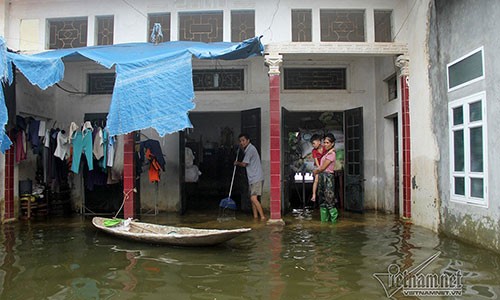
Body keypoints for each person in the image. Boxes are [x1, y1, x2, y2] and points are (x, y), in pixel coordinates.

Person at [234, 133, 266, 220]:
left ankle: (263, 217)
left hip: (256, 178)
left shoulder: (250, 150)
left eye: (243, 140)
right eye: (240, 141)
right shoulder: (248, 149)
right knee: (253, 200)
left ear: (248, 141)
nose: (242, 143)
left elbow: (244, 164)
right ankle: (255, 217)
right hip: (252, 178)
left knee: (253, 198)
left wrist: (237, 163)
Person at [312, 133, 338, 223]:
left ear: (332, 143)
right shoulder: (327, 153)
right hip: (322, 177)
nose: (325, 144)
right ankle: (324, 222)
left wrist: (315, 171)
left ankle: (333, 223)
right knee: (322, 201)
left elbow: (323, 167)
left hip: (328, 178)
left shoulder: (332, 154)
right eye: (325, 142)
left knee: (329, 200)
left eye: (327, 143)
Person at [310, 134, 327, 202]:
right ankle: (314, 195)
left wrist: (323, 167)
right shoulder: (314, 151)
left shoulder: (325, 148)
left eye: (314, 143)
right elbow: (316, 161)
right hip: (318, 166)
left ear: (319, 142)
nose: (313, 145)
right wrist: (320, 168)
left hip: (325, 166)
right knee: (316, 179)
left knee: (325, 180)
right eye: (312, 144)